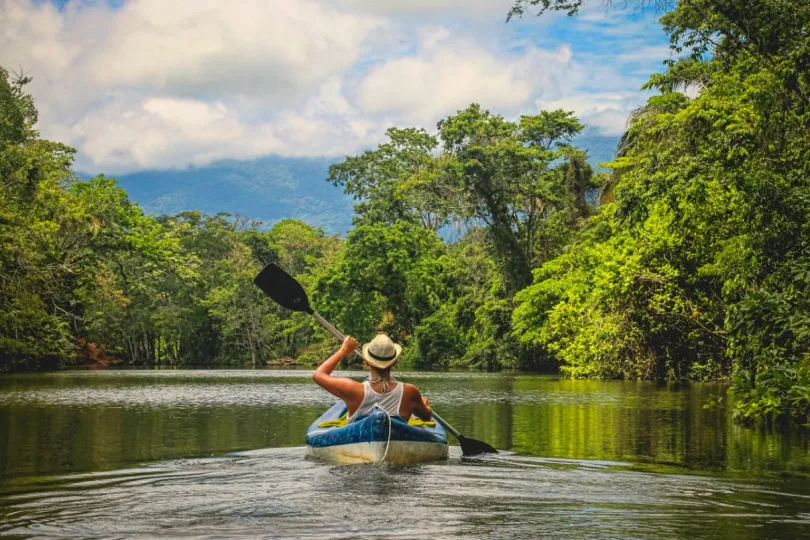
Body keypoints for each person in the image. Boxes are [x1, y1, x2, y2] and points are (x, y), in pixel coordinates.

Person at [312, 333, 432, 423]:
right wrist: (423, 405)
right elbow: (426, 417)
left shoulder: (352, 389)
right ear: (394, 363)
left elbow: (318, 375)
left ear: (367, 362)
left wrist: (344, 350)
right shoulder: (410, 392)